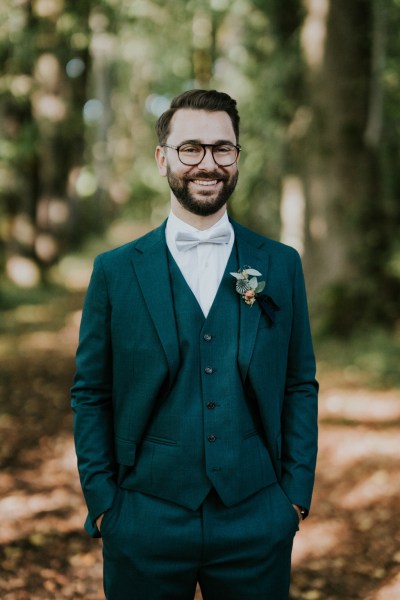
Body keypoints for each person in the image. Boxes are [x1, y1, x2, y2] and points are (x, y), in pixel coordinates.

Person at [71, 89, 318, 600]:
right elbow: (91, 392)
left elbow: (299, 384)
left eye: (222, 148)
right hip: (142, 518)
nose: (208, 163)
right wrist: (104, 504)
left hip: (257, 517)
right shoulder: (114, 272)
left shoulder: (281, 264)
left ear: (237, 157)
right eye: (191, 149)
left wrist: (293, 497)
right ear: (163, 159)